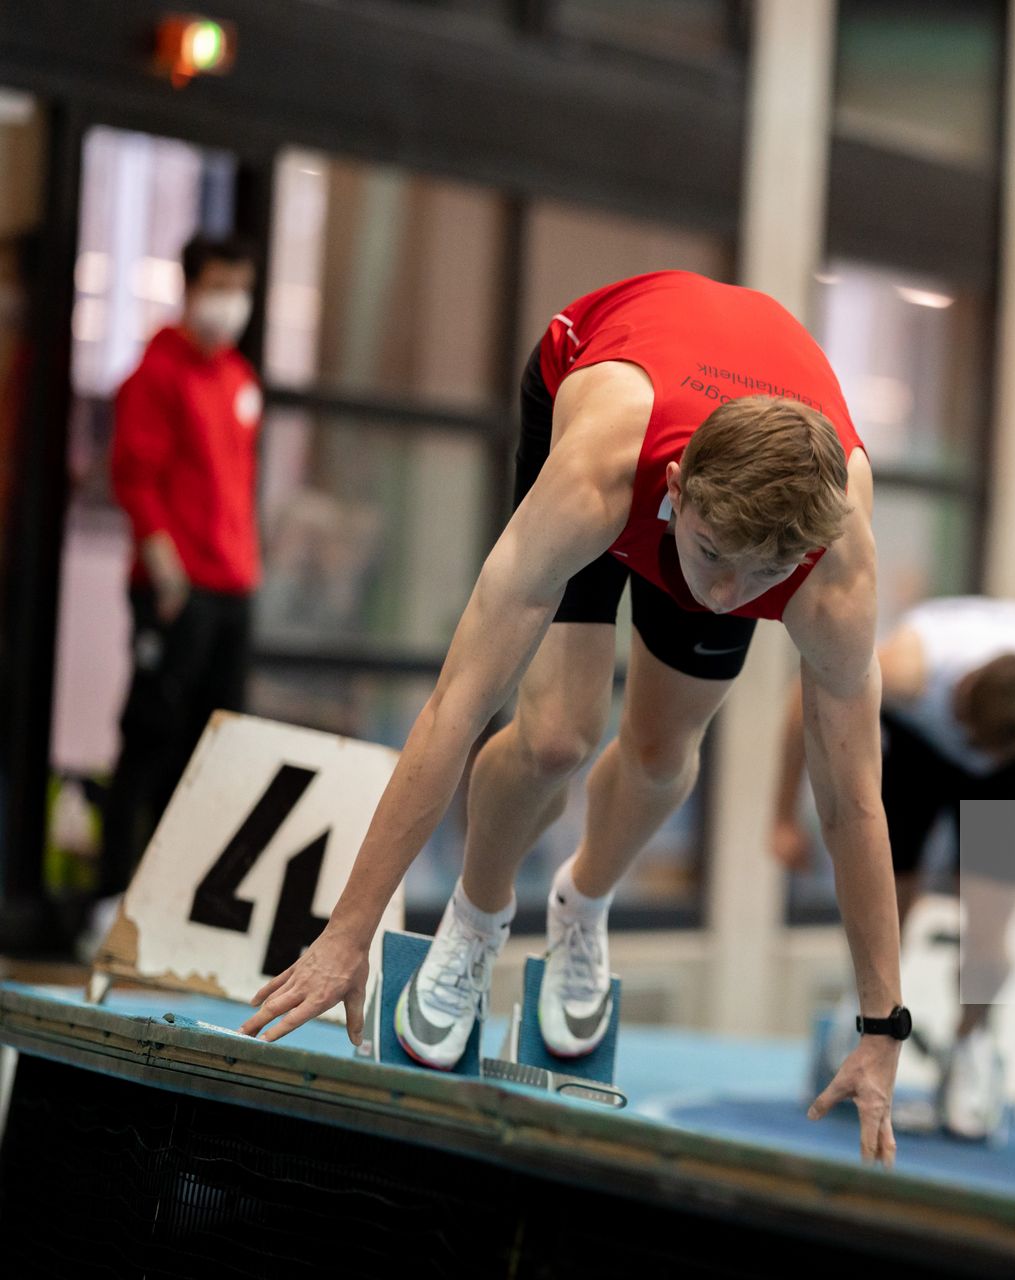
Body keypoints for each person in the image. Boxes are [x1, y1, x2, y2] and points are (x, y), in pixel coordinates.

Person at [239, 271, 905, 1166]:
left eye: (760, 577)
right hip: (602, 383)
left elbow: (854, 803)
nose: (723, 595)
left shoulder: (832, 569)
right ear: (679, 487)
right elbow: (456, 704)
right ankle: (476, 921)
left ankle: (581, 903)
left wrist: (882, 1028)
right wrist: (349, 931)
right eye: (712, 558)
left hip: (737, 495)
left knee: (665, 760)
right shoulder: (600, 465)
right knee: (555, 736)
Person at [771, 595, 1015, 1139]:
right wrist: (783, 816)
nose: (970, 753)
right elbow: (804, 692)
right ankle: (857, 1023)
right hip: (916, 741)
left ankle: (969, 1048)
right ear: (960, 693)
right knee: (886, 913)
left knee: (987, 943)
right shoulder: (911, 669)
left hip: (1004, 773)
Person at [97, 234, 261, 905]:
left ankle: (180, 903)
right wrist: (165, 570)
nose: (228, 303)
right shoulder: (156, 372)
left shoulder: (239, 381)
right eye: (217, 286)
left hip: (233, 587)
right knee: (149, 739)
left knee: (212, 750)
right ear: (190, 288)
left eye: (238, 288)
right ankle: (112, 895)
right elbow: (133, 479)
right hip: (176, 589)